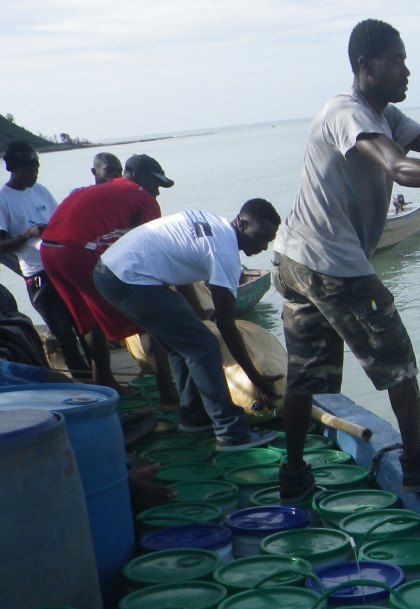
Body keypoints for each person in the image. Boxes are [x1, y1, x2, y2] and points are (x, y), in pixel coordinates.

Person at [271, 18, 420, 501]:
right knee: (397, 363)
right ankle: (417, 463)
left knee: (305, 374)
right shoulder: (345, 112)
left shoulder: (387, 117)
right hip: (330, 263)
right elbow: (400, 168)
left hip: (293, 257)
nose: (406, 70)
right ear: (366, 66)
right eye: (397, 60)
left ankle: (293, 472)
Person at [94, 201, 282, 452]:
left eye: (269, 241)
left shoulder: (214, 224)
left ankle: (194, 416)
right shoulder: (225, 253)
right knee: (203, 346)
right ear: (243, 223)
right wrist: (256, 377)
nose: (263, 246)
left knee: (182, 343)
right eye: (260, 237)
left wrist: (199, 312)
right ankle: (231, 432)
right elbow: (227, 325)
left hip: (113, 270)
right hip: (129, 279)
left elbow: (182, 272)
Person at [40, 154, 175, 391]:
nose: (158, 192)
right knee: (145, 318)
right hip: (76, 251)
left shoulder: (105, 190)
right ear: (138, 177)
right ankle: (169, 393)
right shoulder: (143, 198)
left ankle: (104, 383)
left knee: (89, 319)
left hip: (49, 250)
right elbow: (150, 251)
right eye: (156, 184)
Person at [0, 141, 92, 378]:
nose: (32, 176)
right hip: (37, 273)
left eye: (35, 170)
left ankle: (99, 372)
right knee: (62, 331)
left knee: (82, 322)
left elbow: (58, 220)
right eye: (27, 171)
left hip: (60, 265)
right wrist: (27, 234)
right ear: (13, 170)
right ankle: (82, 377)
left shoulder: (39, 190)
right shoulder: (4, 199)